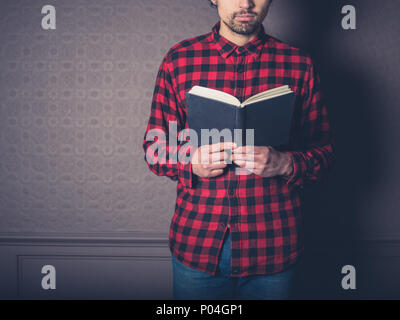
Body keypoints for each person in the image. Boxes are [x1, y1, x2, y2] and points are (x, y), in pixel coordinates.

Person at [142, 0, 335, 300]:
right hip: (198, 244)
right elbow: (155, 146)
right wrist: (191, 162)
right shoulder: (178, 59)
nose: (246, 3)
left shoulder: (299, 64)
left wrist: (285, 163)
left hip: (274, 248)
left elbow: (324, 154)